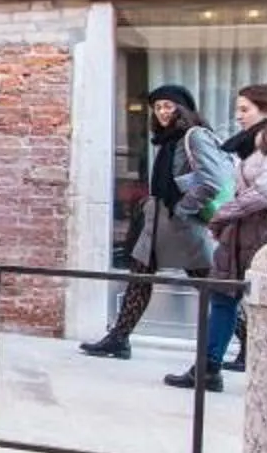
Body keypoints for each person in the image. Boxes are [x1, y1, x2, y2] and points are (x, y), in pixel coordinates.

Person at [167, 84, 267, 393]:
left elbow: (266, 192)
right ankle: (207, 368)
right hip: (243, 230)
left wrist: (223, 214)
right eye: (238, 109)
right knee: (222, 297)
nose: (238, 116)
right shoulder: (254, 142)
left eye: (245, 109)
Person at [80, 84, 232, 360]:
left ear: (182, 108)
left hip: (182, 225)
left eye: (168, 106)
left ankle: (249, 340)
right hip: (159, 220)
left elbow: (213, 180)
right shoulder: (166, 139)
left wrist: (184, 208)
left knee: (212, 286)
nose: (162, 112)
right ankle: (119, 338)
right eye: (158, 107)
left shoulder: (194, 136)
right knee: (139, 277)